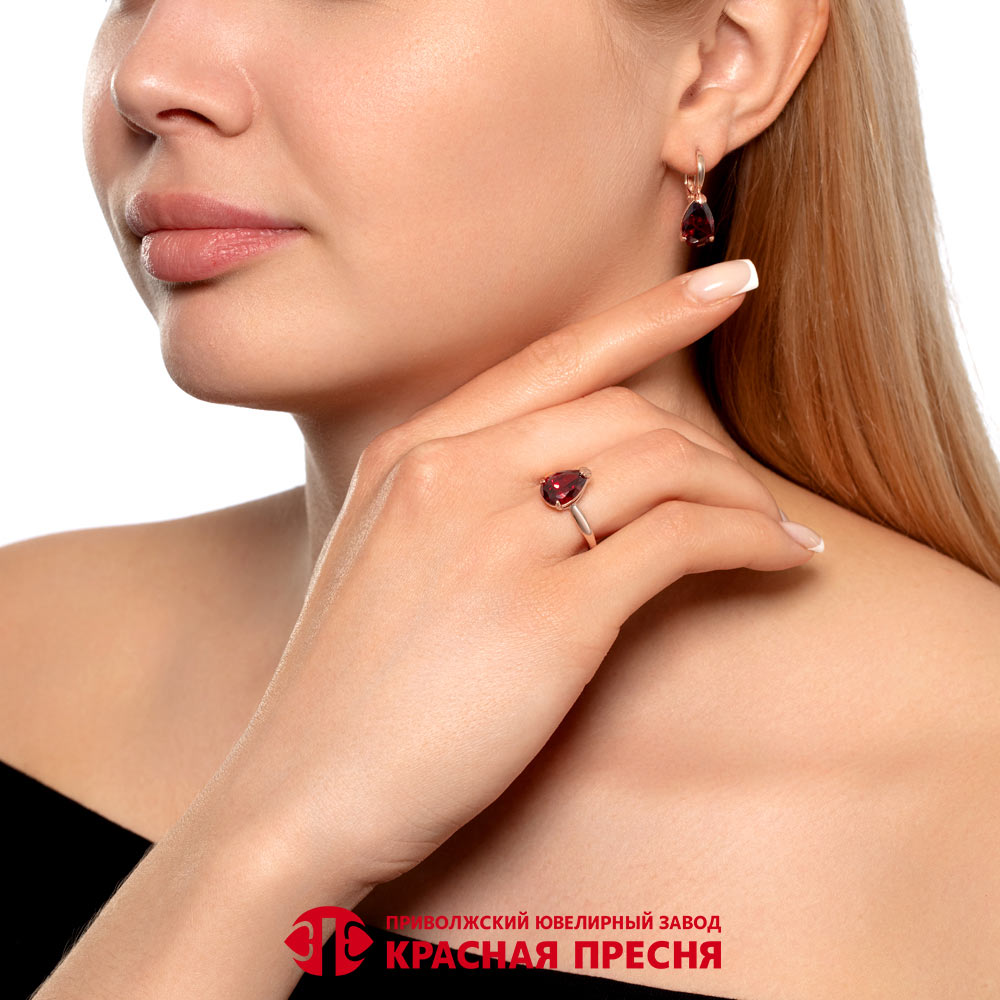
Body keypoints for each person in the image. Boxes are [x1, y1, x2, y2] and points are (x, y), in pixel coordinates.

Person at [4, 0, 999, 997]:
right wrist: (275, 826)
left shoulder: (971, 809)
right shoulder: (22, 645)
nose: (150, 76)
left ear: (717, 67)